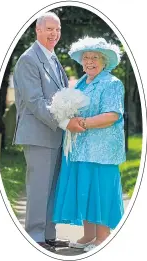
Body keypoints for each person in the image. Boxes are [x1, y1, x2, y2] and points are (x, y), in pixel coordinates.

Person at [12, 12, 85, 251]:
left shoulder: (53, 58)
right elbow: (35, 100)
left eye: (58, 29)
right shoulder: (28, 59)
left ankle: (49, 235)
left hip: (55, 135)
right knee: (39, 186)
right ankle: (34, 236)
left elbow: (61, 96)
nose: (54, 34)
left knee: (53, 187)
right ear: (37, 30)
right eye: (49, 29)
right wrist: (65, 123)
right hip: (38, 134)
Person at [53, 37, 126, 252]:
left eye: (94, 57)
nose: (89, 61)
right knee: (85, 188)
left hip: (103, 148)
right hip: (81, 147)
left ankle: (102, 238)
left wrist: (82, 122)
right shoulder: (83, 82)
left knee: (101, 191)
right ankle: (88, 235)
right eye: (86, 58)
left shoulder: (112, 83)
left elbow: (112, 115)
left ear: (104, 61)